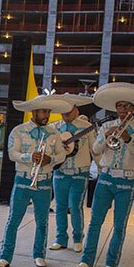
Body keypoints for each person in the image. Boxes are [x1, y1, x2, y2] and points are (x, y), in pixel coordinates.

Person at [76, 82, 134, 267]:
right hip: (105, 178)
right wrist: (105, 137)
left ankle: (111, 262)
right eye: (120, 106)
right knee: (95, 221)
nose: (123, 109)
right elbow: (95, 150)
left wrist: (129, 139)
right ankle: (86, 260)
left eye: (127, 106)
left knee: (119, 224)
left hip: (126, 181)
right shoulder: (107, 125)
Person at [0, 95, 71, 267]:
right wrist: (30, 157)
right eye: (44, 111)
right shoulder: (18, 131)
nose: (47, 115)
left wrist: (49, 159)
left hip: (44, 183)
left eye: (49, 112)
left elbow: (62, 154)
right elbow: (12, 153)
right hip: (23, 180)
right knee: (14, 219)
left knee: (42, 221)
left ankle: (39, 254)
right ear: (33, 111)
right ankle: (5, 256)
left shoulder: (54, 133)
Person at [49, 94, 96, 253]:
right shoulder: (55, 127)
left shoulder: (86, 126)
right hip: (60, 172)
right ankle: (60, 238)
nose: (65, 115)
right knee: (60, 206)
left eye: (68, 111)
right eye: (63, 112)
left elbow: (94, 149)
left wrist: (102, 167)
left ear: (76, 109)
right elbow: (50, 149)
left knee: (75, 206)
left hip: (79, 173)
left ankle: (77, 238)